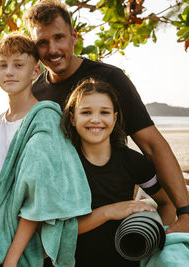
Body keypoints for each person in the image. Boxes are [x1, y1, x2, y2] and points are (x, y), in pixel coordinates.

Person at [23, 0, 189, 234]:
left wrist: (186, 212)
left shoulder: (110, 78)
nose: (52, 49)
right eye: (42, 42)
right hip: (64, 225)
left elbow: (152, 145)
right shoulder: (34, 94)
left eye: (59, 38)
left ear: (74, 36)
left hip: (114, 222)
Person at [0, 34, 91, 267]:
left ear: (35, 72)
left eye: (18, 65)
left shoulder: (43, 120)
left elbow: (38, 200)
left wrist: (11, 259)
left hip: (22, 249)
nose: (9, 72)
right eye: (3, 65)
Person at [61, 78, 175, 267]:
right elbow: (61, 230)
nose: (95, 119)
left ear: (114, 118)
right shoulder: (63, 163)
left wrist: (157, 240)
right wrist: (109, 211)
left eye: (104, 112)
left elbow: (167, 202)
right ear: (73, 118)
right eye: (86, 112)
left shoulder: (133, 161)